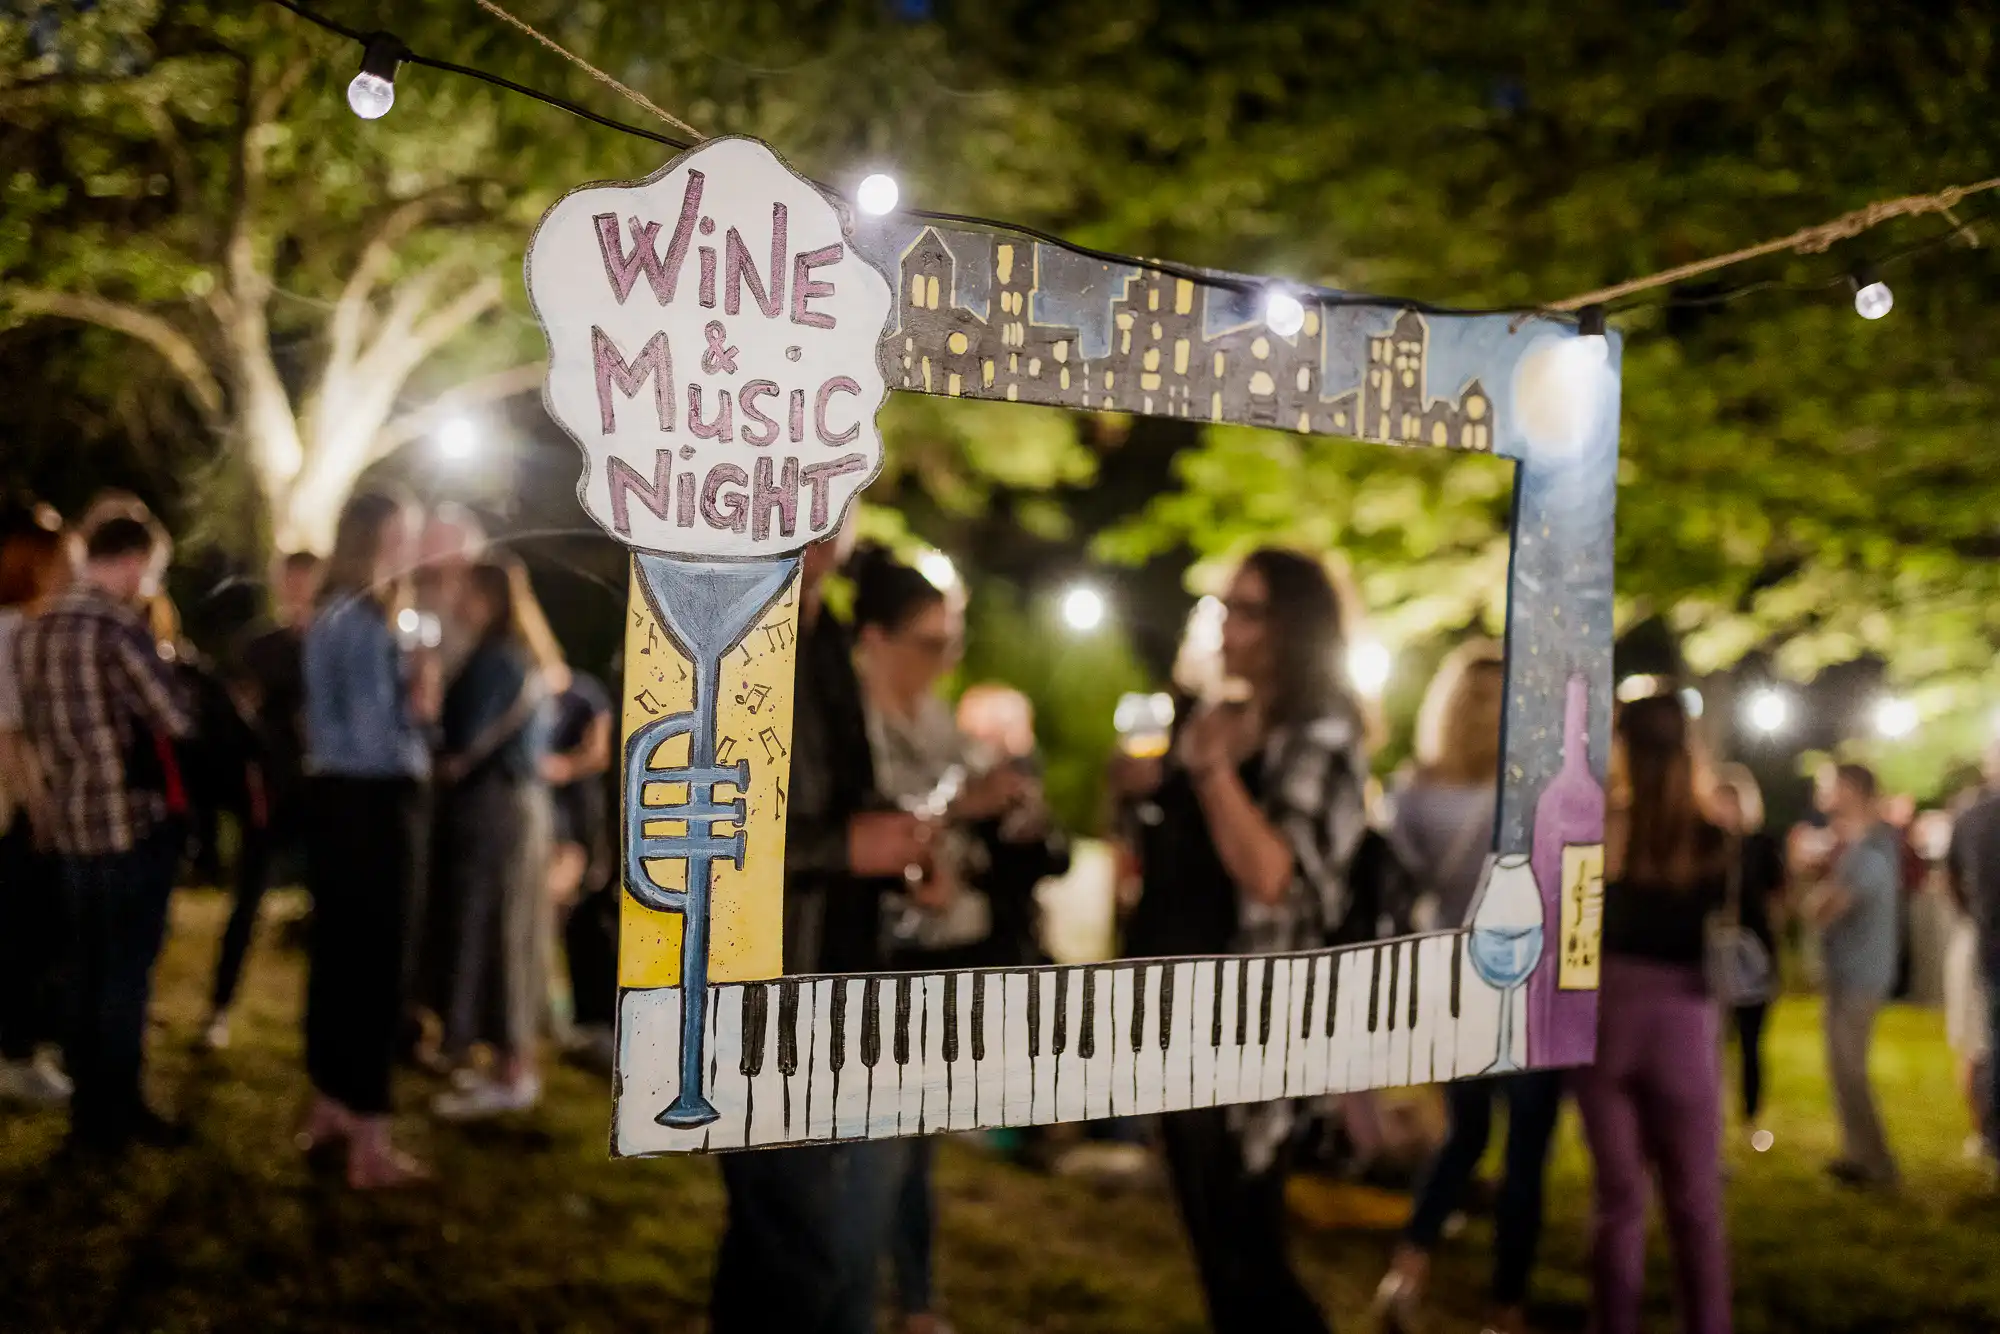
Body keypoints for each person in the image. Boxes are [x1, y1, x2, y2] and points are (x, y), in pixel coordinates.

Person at [1113, 548, 1370, 1334]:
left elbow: (1274, 877)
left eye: (1250, 611)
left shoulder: (1320, 733)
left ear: (1295, 626)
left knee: (1246, 1251)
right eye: (1226, 607)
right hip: (1175, 1006)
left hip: (1249, 1023)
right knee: (1214, 1245)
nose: (1229, 627)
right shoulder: (1219, 716)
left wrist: (1212, 774)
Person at [709, 527, 933, 1334]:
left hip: (837, 964)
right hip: (758, 973)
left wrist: (897, 847)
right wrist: (843, 847)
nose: (822, 525)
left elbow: (837, 790)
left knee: (785, 1239)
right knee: (797, 1237)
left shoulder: (825, 633)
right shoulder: (720, 625)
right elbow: (685, 820)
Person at [850, 548, 1030, 1334]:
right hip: (876, 948)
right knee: (877, 1134)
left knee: (918, 1132)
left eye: (951, 644)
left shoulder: (934, 720)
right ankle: (865, 1297)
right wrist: (961, 806)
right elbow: (884, 821)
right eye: (929, 643)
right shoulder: (853, 720)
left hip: (946, 945)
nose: (943, 661)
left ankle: (916, 1295)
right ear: (876, 638)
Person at [1375, 641, 1560, 1334]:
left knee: (1465, 1134)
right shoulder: (1539, 786)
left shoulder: (1415, 790)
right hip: (1533, 980)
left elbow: (1398, 891)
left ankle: (1408, 1267)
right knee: (1526, 1153)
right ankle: (1504, 1307)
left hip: (1458, 980)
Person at [17, 516, 192, 1154]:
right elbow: (175, 716)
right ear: (134, 560)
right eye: (152, 571)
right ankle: (117, 1109)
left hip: (69, 823)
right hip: (125, 823)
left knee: (83, 968)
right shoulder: (118, 627)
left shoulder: (34, 628)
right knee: (124, 973)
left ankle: (87, 1110)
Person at [1570, 694, 1731, 1334]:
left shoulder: (1593, 833)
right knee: (1696, 1203)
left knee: (1617, 1200)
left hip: (1602, 1017)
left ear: (1621, 747)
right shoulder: (1713, 837)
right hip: (1682, 1020)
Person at [300, 490, 437, 1189]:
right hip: (378, 802)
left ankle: (329, 1105)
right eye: (404, 534)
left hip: (332, 798)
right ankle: (370, 1143)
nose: (413, 546)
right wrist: (421, 702)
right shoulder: (369, 620)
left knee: (337, 957)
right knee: (381, 966)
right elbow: (379, 732)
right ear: (376, 540)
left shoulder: (329, 612)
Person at [431, 558, 560, 1120]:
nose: (454, 599)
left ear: (486, 597)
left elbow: (461, 740)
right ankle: (505, 1063)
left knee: (498, 930)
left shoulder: (496, 659)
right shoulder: (522, 655)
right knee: (506, 927)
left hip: (494, 808)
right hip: (519, 806)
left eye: (464, 590)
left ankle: (513, 1070)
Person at [202, 552, 321, 1049]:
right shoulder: (258, 646)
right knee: (246, 901)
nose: (297, 589)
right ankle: (219, 1008)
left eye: (306, 581)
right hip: (269, 791)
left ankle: (322, 1021)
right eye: (289, 580)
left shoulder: (332, 643)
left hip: (323, 792)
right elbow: (237, 714)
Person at [0, 519, 74, 1106]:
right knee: (23, 934)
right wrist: (38, 803)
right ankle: (16, 1056)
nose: (71, 574)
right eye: (62, 563)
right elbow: (8, 731)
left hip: (22, 800)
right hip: (14, 806)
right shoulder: (11, 631)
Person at [1805, 762, 1901, 1190]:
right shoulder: (1861, 844)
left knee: (1850, 1067)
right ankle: (1857, 1155)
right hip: (1848, 970)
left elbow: (1830, 905)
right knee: (1842, 1067)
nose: (1824, 792)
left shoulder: (1873, 848)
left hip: (1861, 973)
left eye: (1831, 784)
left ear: (1851, 789)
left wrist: (1814, 902)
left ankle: (1877, 1164)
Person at [956, 682, 1070, 969]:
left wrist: (1035, 831)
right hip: (966, 948)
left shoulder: (1023, 791)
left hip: (1018, 944)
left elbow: (1057, 861)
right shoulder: (955, 787)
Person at [1708, 763, 1787, 1138]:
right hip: (1713, 949)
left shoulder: (1761, 846)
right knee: (1712, 1037)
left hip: (1753, 949)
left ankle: (1751, 1113)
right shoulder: (1706, 847)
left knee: (1751, 1038)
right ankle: (1713, 1108)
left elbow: (1777, 897)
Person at [543, 667, 615, 1068]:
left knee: (576, 912)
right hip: (554, 821)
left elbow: (599, 748)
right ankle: (563, 1016)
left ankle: (582, 1018)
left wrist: (565, 767)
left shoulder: (584, 692)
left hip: (580, 821)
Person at [1948, 742, 2000, 1164]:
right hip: (1988, 944)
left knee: (1986, 1044)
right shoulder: (1974, 817)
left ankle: (1990, 1137)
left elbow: (1952, 881)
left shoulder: (1971, 816)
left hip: (1987, 942)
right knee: (1984, 1044)